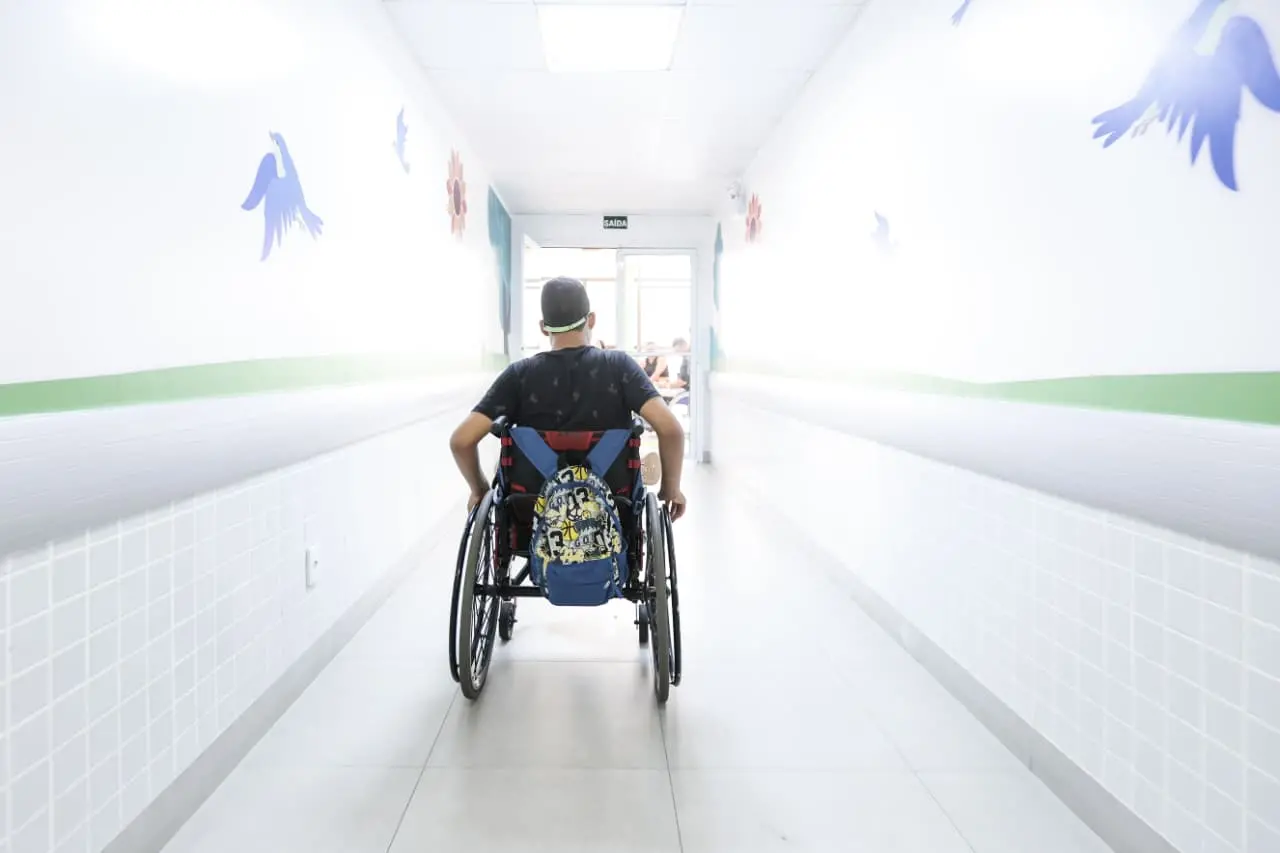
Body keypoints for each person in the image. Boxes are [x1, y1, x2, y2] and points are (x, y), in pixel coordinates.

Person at [449, 276, 688, 520]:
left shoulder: (519, 375)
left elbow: (461, 441)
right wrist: (671, 489)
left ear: (543, 327)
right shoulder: (619, 367)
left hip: (532, 513)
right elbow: (671, 430)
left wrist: (479, 490)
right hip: (612, 508)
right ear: (591, 319)